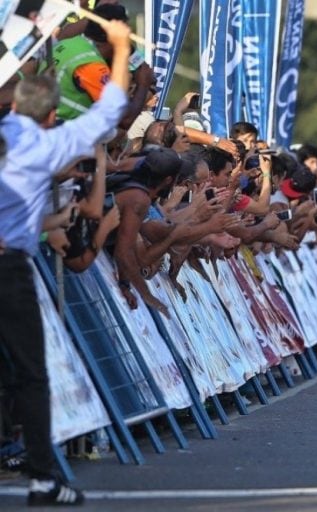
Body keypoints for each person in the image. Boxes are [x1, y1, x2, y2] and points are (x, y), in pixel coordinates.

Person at [0, 19, 133, 507]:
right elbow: (110, 112)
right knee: (30, 373)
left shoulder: (7, 129)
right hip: (8, 268)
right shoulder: (46, 145)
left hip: (15, 257)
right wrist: (119, 49)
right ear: (52, 116)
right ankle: (41, 478)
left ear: (14, 105)